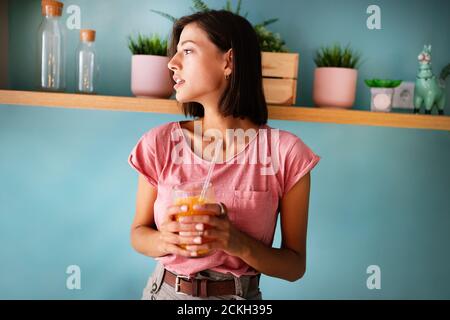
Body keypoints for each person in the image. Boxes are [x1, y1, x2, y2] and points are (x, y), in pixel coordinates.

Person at [128, 10, 320, 300]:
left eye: (188, 50)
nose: (172, 63)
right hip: (164, 292)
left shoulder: (286, 154)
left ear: (228, 61)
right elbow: (139, 233)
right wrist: (163, 239)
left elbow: (294, 266)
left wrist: (237, 243)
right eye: (175, 52)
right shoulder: (159, 143)